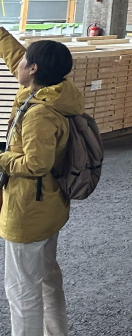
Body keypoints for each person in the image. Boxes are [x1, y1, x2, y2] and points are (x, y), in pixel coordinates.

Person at [0, 27, 82, 336]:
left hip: (28, 209)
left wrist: (2, 158)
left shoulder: (38, 113)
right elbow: (17, 57)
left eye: (26, 61)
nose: (18, 64)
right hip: (49, 204)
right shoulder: (56, 92)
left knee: (22, 290)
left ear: (34, 69)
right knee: (47, 278)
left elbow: (36, 164)